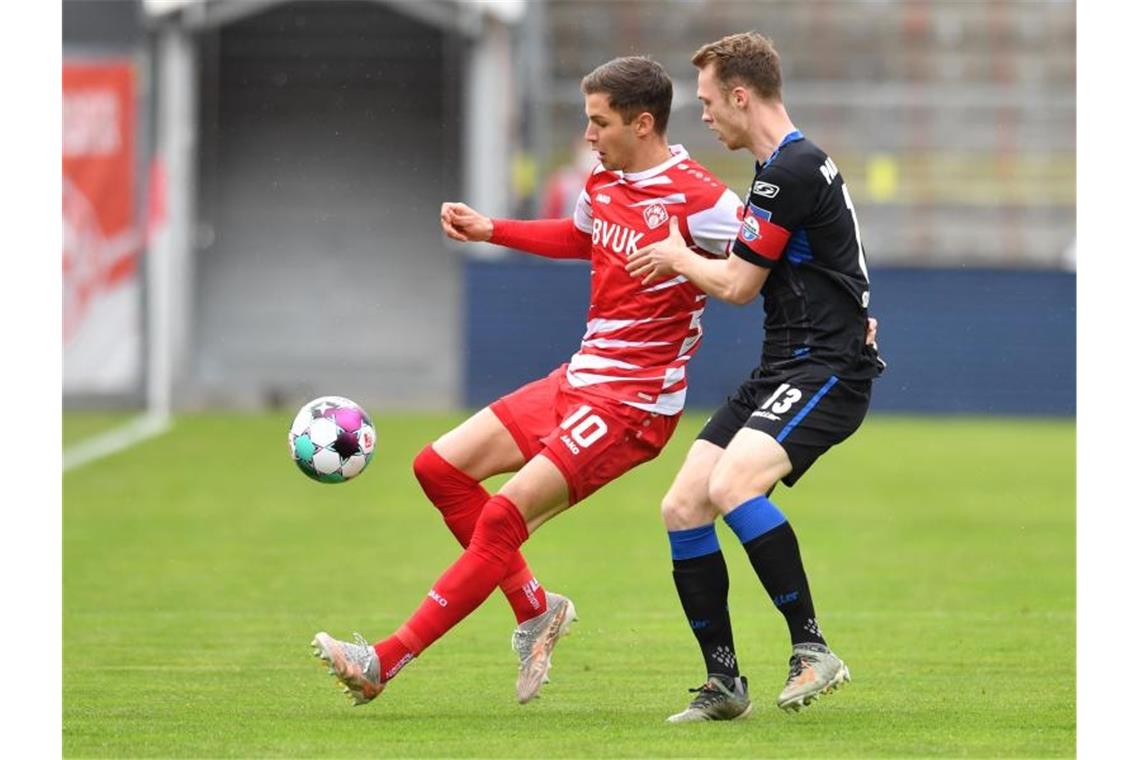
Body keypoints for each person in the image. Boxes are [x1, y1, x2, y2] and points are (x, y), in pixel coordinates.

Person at [311, 56, 745, 707]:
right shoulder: (604, 180)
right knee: (439, 468)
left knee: (504, 520)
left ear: (644, 122)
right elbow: (582, 236)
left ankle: (385, 661)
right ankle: (537, 610)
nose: (589, 135)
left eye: (599, 122)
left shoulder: (704, 200)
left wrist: (842, 321)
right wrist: (494, 229)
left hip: (633, 405)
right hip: (577, 379)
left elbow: (769, 258)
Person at [626, 32, 885, 723]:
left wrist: (680, 256)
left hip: (825, 368)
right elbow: (827, 255)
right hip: (784, 366)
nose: (704, 115)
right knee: (683, 506)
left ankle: (812, 648)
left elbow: (739, 285)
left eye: (709, 101)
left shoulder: (787, 172)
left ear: (741, 96)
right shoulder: (791, 166)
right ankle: (723, 684)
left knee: (732, 484)